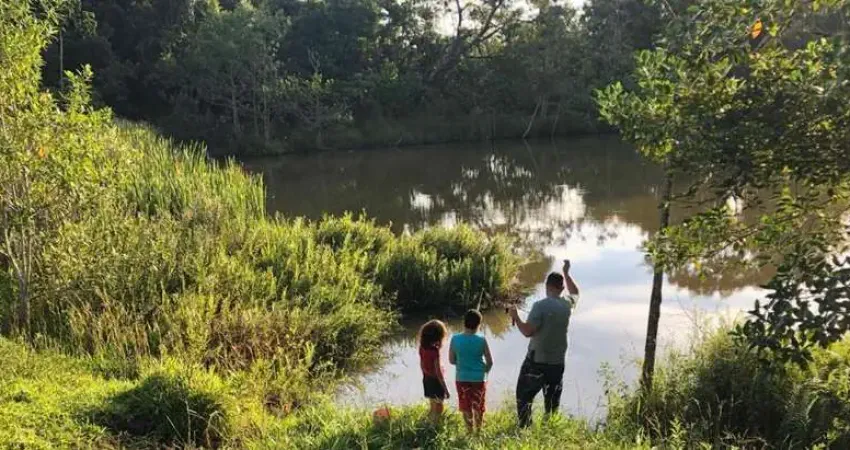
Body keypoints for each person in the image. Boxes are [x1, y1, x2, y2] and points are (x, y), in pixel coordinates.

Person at [508, 259, 579, 428]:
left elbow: (527, 331)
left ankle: (525, 430)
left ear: (547, 286)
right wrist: (567, 273)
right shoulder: (567, 304)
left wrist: (516, 316)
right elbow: (576, 293)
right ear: (562, 288)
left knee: (524, 397)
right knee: (552, 402)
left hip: (536, 363)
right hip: (557, 362)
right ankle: (549, 430)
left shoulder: (539, 306)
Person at [449, 309, 493, 433]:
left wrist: (463, 361)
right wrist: (485, 372)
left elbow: (451, 360)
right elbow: (490, 362)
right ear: (479, 324)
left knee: (465, 406)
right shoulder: (482, 339)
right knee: (478, 406)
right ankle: (478, 432)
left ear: (464, 322)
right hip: (479, 378)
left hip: (461, 377)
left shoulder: (455, 339)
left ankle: (469, 432)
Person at [418, 319, 450, 423]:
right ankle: (434, 425)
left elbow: (422, 365)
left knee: (432, 405)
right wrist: (445, 389)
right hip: (436, 381)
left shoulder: (422, 348)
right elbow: (438, 373)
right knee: (439, 407)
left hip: (427, 379)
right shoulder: (434, 352)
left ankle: (429, 423)